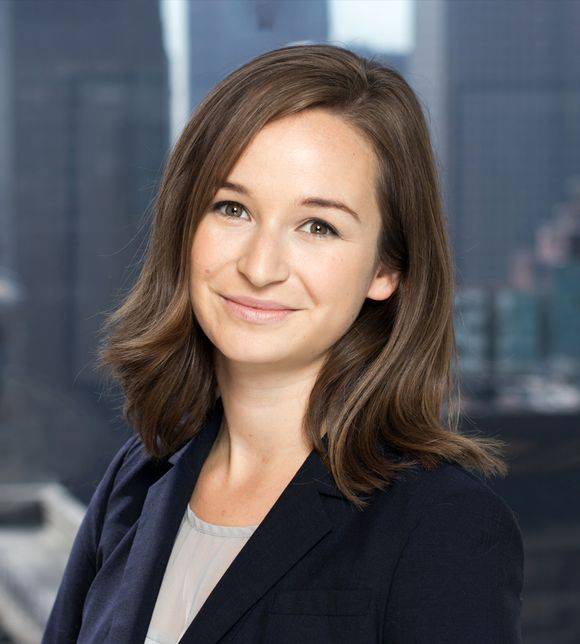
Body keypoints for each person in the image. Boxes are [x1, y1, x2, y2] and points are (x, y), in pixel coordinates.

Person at [42, 43, 524, 644]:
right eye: (232, 208)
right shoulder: (137, 481)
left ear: (386, 268)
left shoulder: (443, 524)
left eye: (318, 226)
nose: (260, 266)